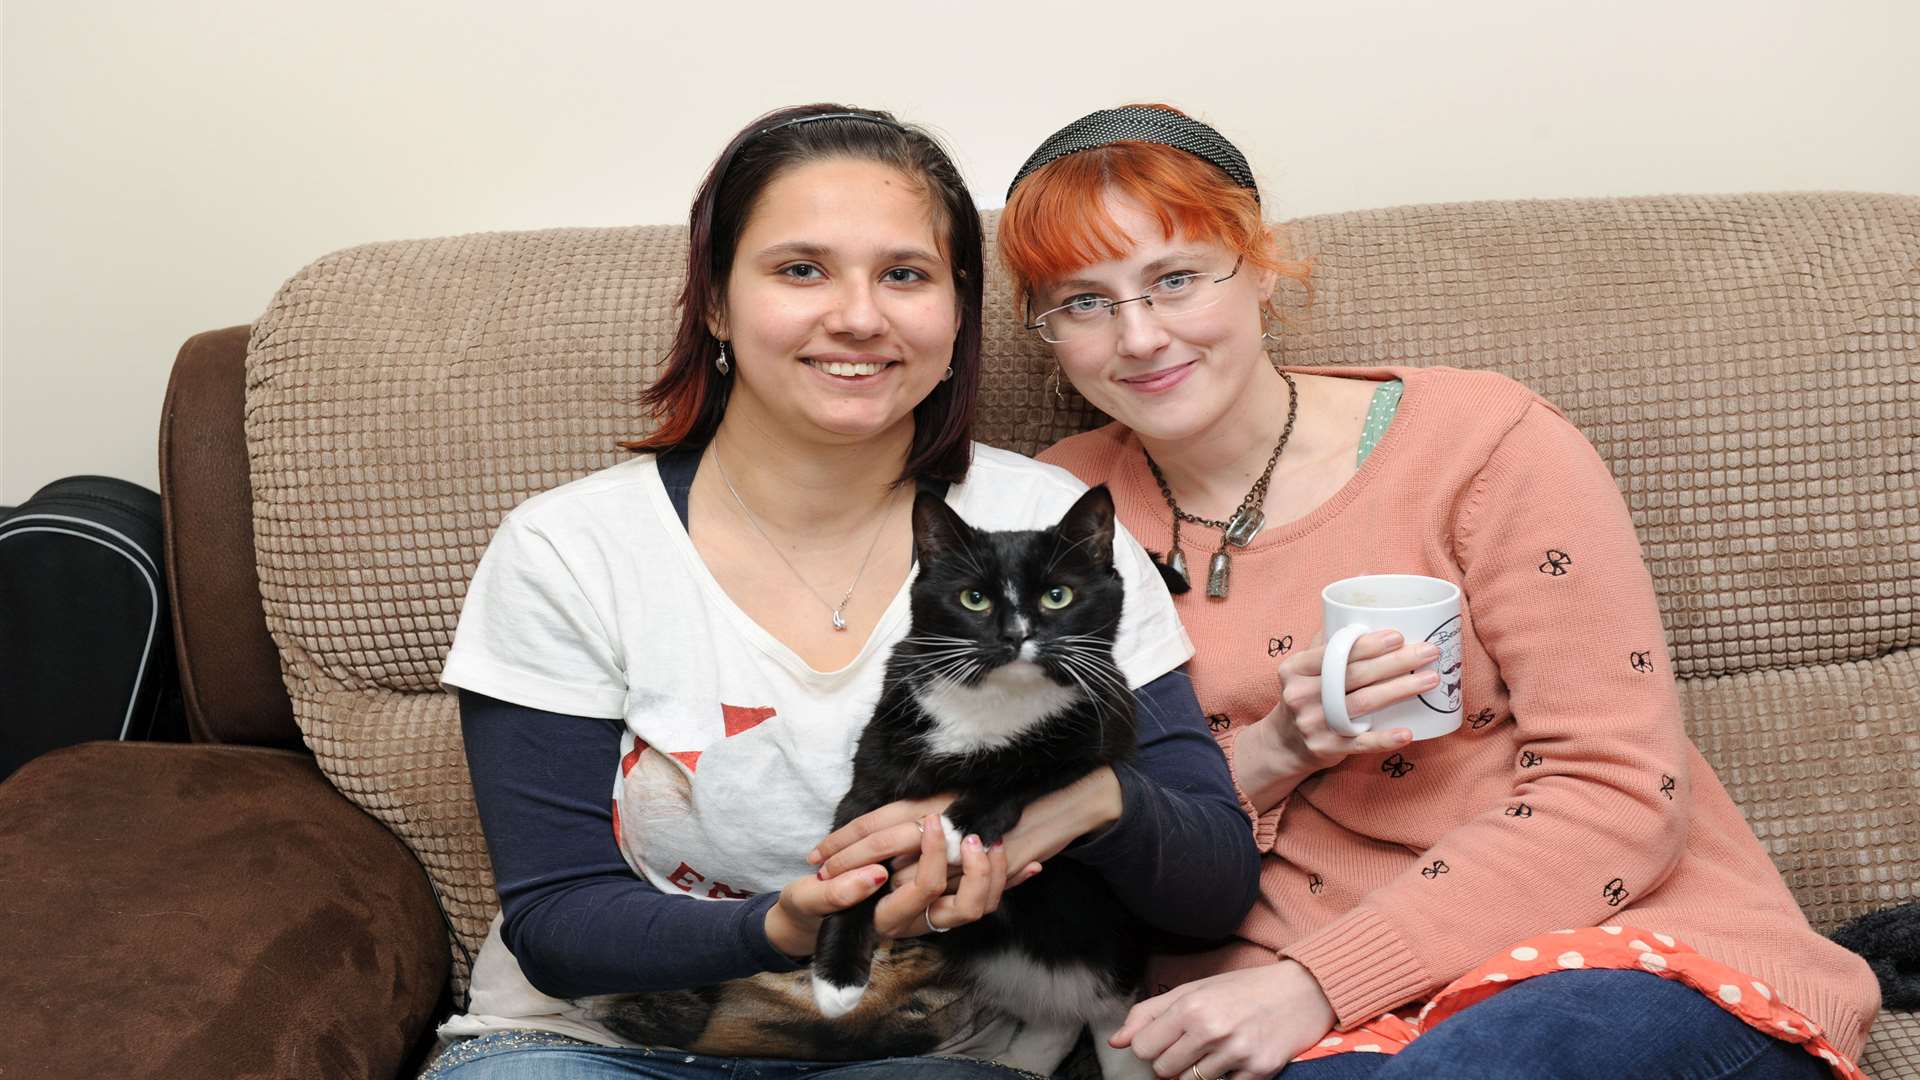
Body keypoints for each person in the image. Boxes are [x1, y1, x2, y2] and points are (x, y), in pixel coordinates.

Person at [996, 104, 1880, 1080]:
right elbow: (1087, 827)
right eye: (1084, 302)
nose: (1140, 335)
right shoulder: (1055, 509)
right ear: (1047, 330)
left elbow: (1621, 791)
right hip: (1282, 1005)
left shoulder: (1483, 445)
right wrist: (1265, 756)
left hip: (1616, 953)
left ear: (1256, 264)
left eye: (1175, 279)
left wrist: (1317, 983)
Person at [425, 103, 1260, 1079]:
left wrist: (1091, 800)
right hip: (594, 1051)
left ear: (958, 312)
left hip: (935, 1058)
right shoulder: (570, 549)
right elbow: (558, 922)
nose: (859, 316)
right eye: (801, 269)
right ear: (716, 303)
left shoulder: (1050, 529)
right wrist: (781, 925)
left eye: (904, 275)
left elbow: (1212, 889)